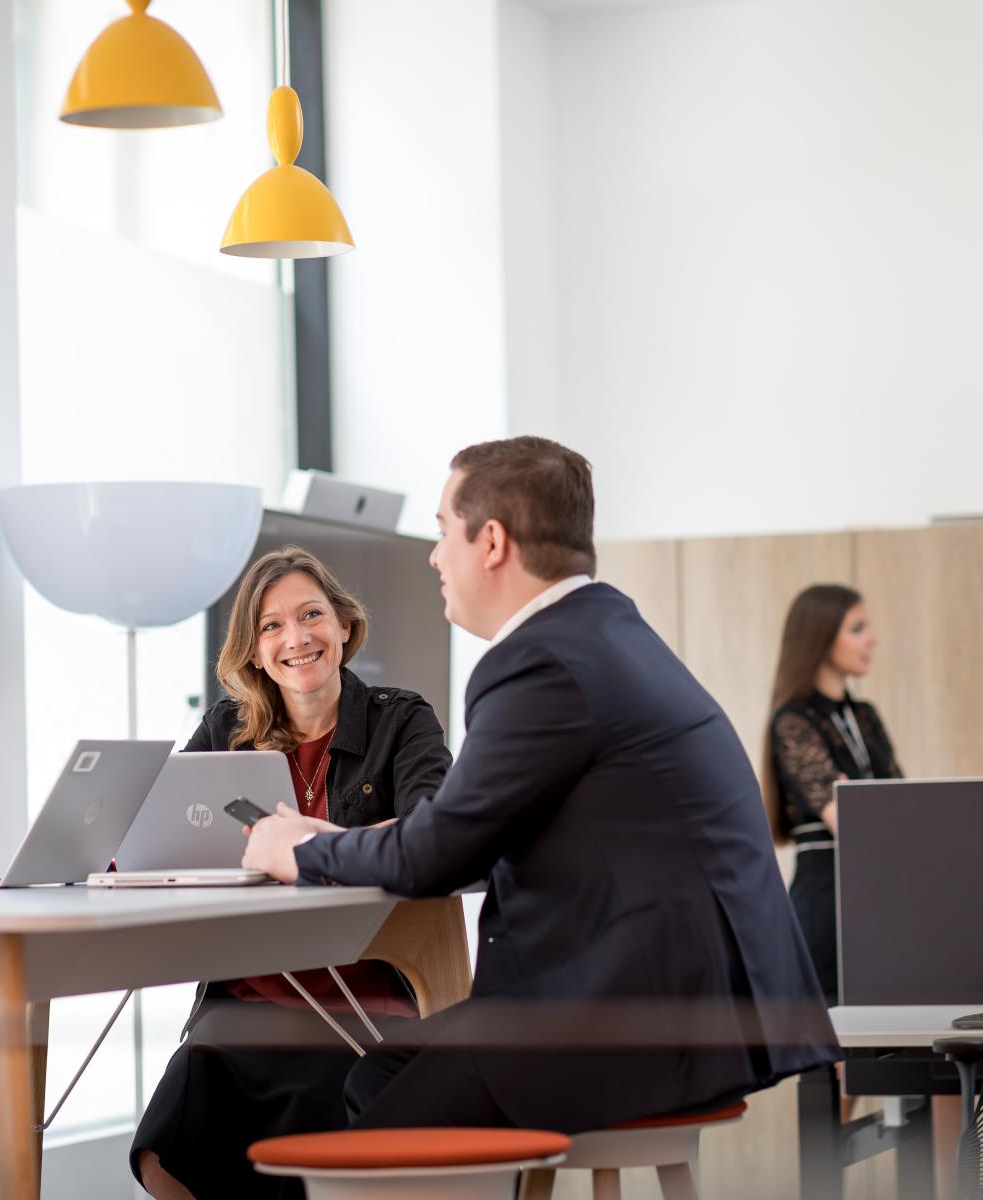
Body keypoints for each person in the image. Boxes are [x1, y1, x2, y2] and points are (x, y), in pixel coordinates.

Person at [244, 436, 839, 1134]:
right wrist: (369, 840)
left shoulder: (539, 663)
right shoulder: (607, 630)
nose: (435, 556)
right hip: (706, 1005)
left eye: (444, 531)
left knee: (380, 1134)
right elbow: (468, 829)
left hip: (635, 1022)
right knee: (380, 1073)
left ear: (492, 542)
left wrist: (298, 850)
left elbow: (435, 856)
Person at [133, 546, 452, 1200]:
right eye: (272, 626)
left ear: (343, 625)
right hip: (245, 999)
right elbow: (166, 835)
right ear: (253, 651)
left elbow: (431, 832)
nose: (297, 638)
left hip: (362, 994)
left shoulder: (400, 718)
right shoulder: (226, 727)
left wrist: (311, 846)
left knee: (316, 1157)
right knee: (163, 1158)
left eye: (311, 615)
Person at [763, 584, 902, 1002]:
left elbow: (906, 810)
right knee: (833, 1031)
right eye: (857, 628)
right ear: (820, 637)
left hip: (883, 896)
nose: (872, 638)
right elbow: (848, 822)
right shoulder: (793, 721)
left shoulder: (866, 716)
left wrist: (855, 801)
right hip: (828, 902)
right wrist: (864, 811)